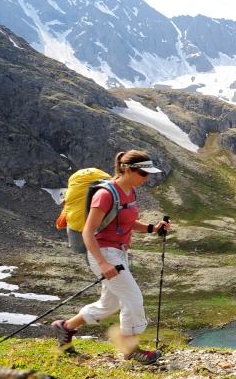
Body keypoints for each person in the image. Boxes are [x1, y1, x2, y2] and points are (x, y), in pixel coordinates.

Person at [52, 150, 170, 364]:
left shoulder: (130, 192)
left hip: (120, 252)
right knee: (133, 298)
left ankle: (65, 327)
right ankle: (131, 349)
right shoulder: (105, 194)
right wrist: (103, 263)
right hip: (104, 253)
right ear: (127, 169)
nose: (147, 178)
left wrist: (153, 228)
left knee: (109, 305)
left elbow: (124, 221)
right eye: (143, 173)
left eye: (148, 174)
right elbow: (88, 231)